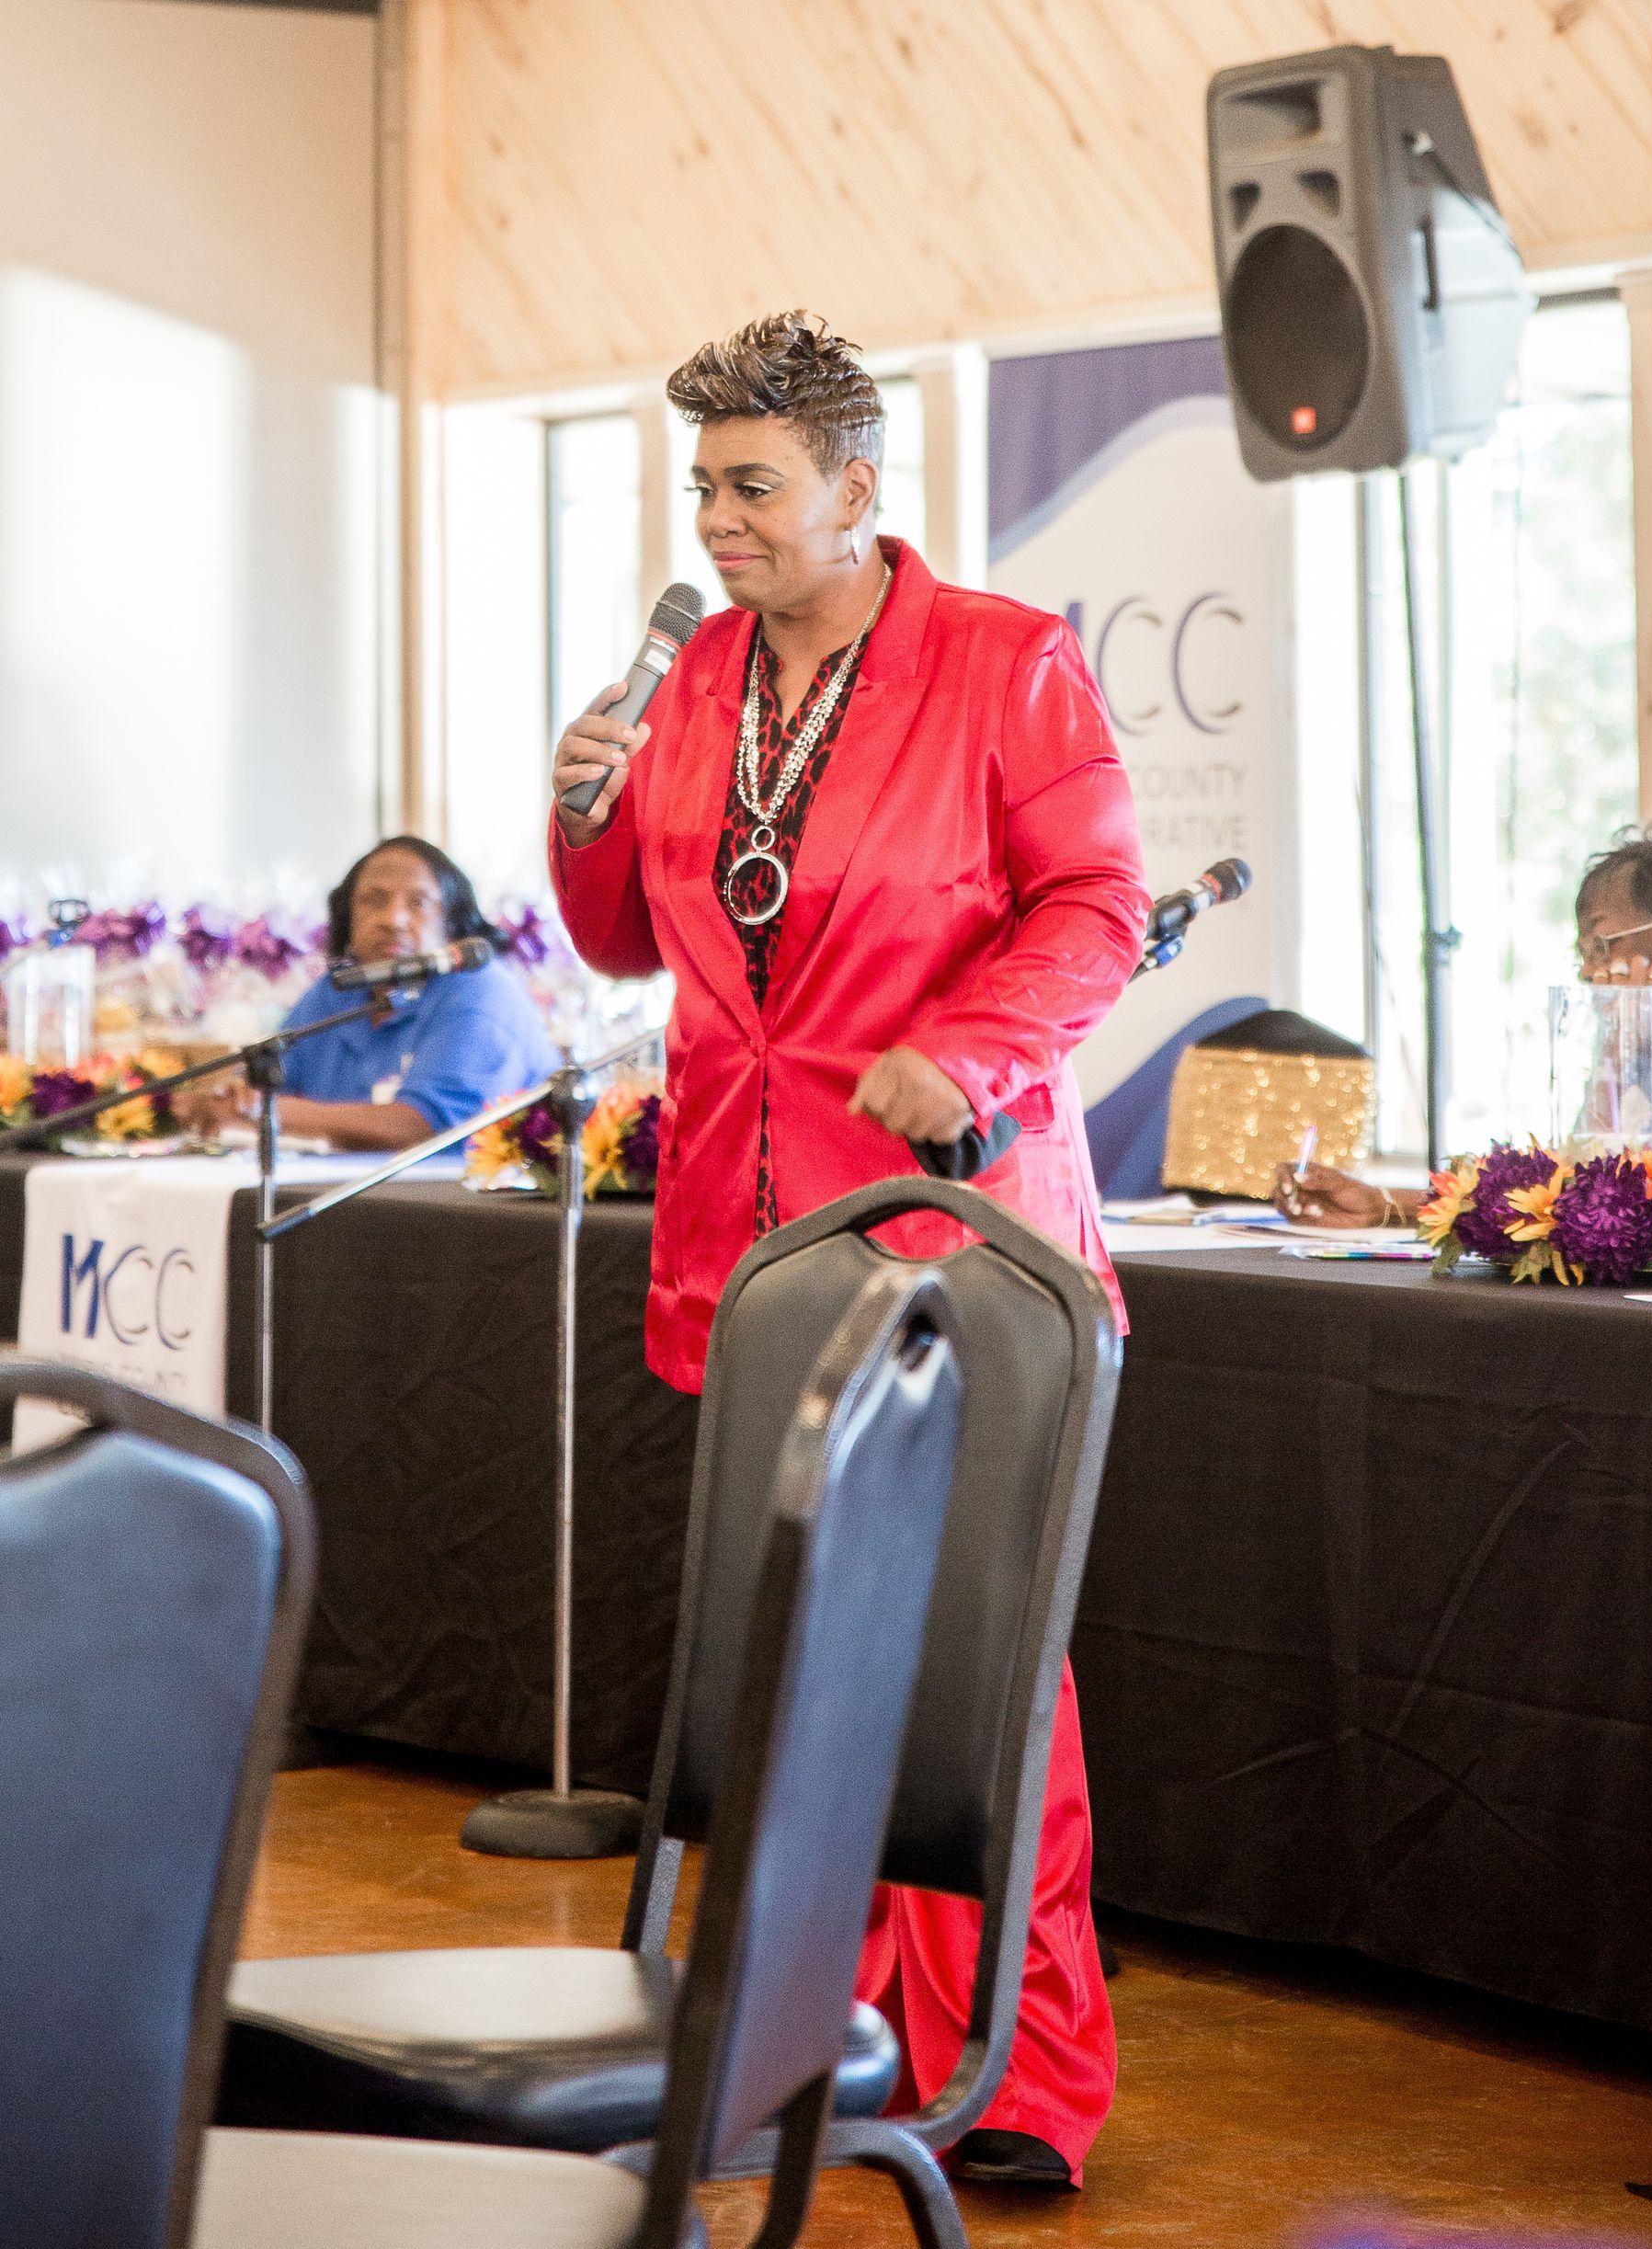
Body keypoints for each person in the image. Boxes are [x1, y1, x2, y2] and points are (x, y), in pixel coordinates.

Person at [549, 311, 1149, 2187]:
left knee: (978, 1673)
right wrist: (578, 804)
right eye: (702, 486)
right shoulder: (696, 673)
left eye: (753, 485)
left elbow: (1101, 903)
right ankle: (818, 2040)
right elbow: (632, 940)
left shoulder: (1004, 659)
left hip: (955, 1234)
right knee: (790, 1663)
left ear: (856, 488)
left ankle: (1024, 2073)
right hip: (744, 1237)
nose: (717, 520)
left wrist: (963, 1056)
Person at [1279, 818, 1652, 1227]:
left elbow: (1624, 1207)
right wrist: (1389, 1210)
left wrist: (1623, 1038)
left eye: (1603, 946)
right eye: (1584, 955)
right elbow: (1576, 1186)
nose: (1591, 973)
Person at [177, 838, 558, 1152]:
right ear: (348, 919)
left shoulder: (480, 990)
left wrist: (264, 1110)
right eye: (375, 901)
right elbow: (265, 1082)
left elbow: (422, 1127)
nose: (394, 919)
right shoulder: (337, 991)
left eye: (418, 902)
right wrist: (226, 1097)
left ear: (453, 923)